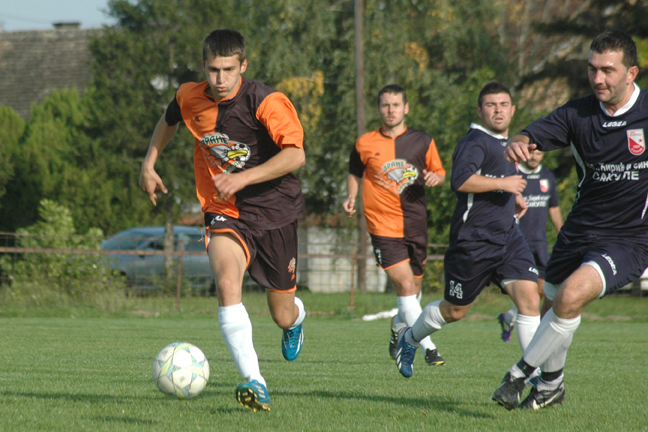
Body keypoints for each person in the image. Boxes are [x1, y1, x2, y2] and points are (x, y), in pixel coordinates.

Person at [139, 29, 307, 412]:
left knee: (281, 313)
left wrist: (243, 177)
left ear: (243, 66)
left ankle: (296, 320)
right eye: (213, 69)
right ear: (204, 67)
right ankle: (255, 382)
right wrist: (149, 164)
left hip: (274, 212)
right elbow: (169, 118)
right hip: (224, 211)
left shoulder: (266, 101)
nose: (220, 79)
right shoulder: (190, 96)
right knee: (227, 282)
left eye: (229, 69)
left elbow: (295, 155)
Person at [492, 29, 648, 411]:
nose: (598, 78)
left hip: (629, 238)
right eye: (592, 69)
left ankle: (519, 375)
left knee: (570, 295)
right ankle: (552, 385)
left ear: (632, 73)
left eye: (608, 71)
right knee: (552, 308)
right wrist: (519, 141)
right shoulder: (577, 113)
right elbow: (533, 135)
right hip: (580, 230)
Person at [394, 81, 541, 379]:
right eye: (491, 105)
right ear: (479, 110)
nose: (498, 110)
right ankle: (409, 338)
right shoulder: (476, 140)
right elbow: (460, 180)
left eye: (503, 105)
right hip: (473, 243)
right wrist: (505, 185)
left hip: (508, 239)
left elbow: (499, 179)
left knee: (529, 300)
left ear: (513, 110)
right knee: (454, 311)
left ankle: (537, 377)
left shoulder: (507, 143)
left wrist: (514, 196)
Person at [343, 84, 447, 367]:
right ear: (379, 109)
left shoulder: (423, 141)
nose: (391, 110)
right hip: (382, 227)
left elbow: (438, 170)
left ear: (406, 108)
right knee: (404, 286)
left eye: (396, 105)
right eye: (386, 105)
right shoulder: (364, 142)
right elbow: (354, 172)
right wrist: (351, 196)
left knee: (413, 289)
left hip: (415, 224)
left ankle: (398, 326)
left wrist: (437, 178)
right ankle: (428, 348)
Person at [497, 150, 563, 342]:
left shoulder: (547, 176)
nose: (534, 157)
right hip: (519, 241)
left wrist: (562, 233)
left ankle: (508, 316)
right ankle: (530, 332)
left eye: (539, 153)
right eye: (531, 153)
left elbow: (554, 207)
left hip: (540, 242)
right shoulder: (515, 176)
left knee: (542, 289)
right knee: (531, 290)